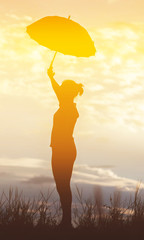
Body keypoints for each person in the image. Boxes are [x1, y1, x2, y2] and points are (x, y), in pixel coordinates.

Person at [47, 66, 83, 229]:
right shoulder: (66, 105)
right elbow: (58, 91)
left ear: (67, 92)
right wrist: (51, 78)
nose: (59, 90)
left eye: (62, 88)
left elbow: (58, 92)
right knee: (61, 185)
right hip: (60, 148)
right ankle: (65, 221)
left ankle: (66, 222)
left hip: (64, 149)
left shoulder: (69, 108)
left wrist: (51, 78)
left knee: (63, 185)